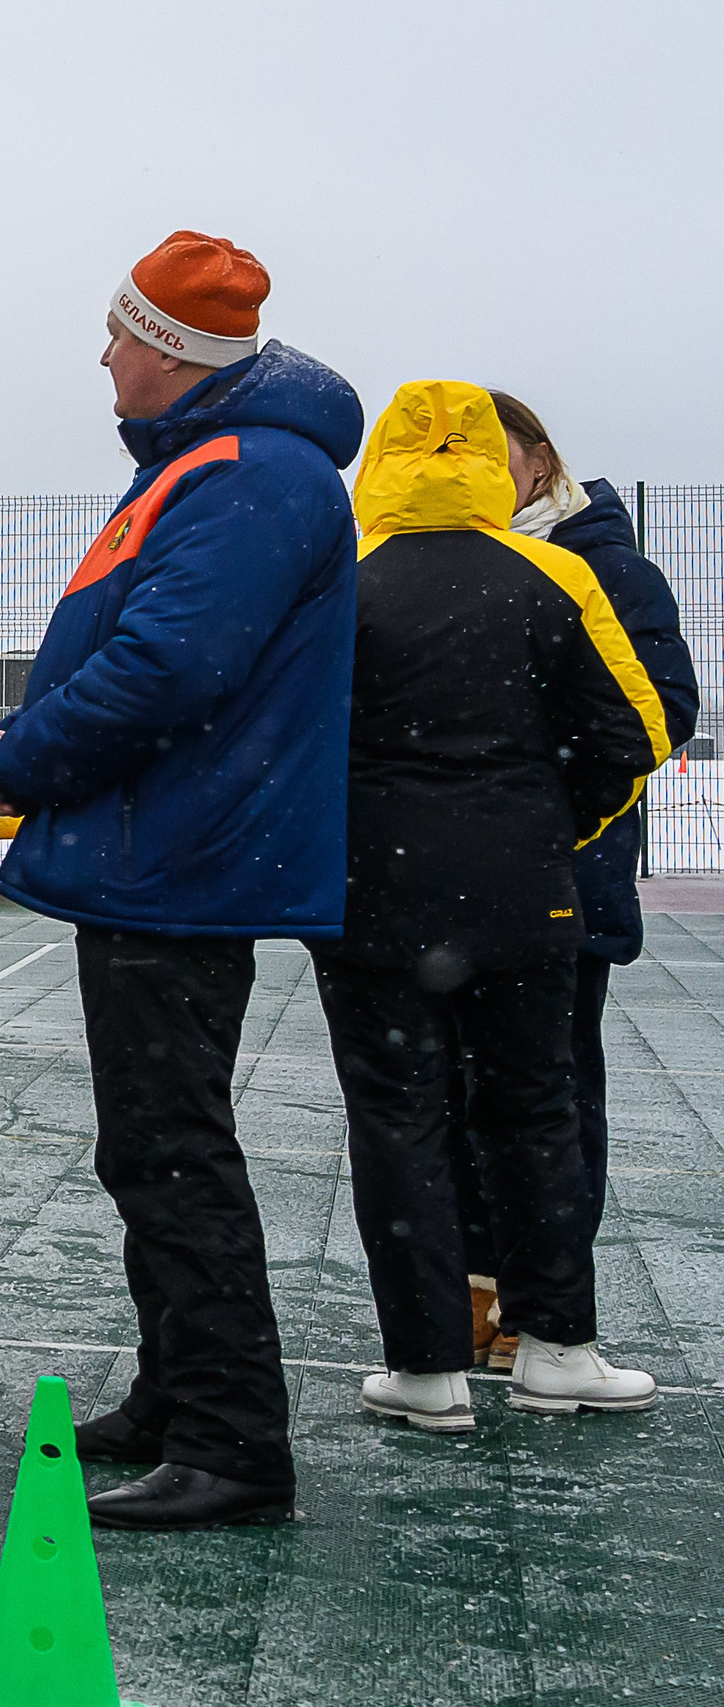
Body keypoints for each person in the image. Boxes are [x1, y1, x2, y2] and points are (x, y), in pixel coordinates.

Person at [0, 232, 362, 1530]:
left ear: (176, 354)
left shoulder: (252, 474)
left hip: (184, 852)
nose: (105, 353)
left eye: (122, 333)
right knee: (148, 1141)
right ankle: (178, 1390)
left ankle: (235, 1436)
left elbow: (171, 666)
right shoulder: (228, 466)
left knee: (174, 1148)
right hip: (167, 846)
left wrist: (26, 754)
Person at [313, 381, 668, 1434]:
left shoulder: (342, 581)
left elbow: (289, 739)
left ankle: (425, 1371)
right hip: (524, 900)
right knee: (536, 1116)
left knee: (398, 1124)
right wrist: (546, 834)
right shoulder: (555, 573)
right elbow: (635, 732)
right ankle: (558, 1346)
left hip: (373, 901)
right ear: (491, 459)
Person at [453, 393, 699, 1373]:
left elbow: (657, 712)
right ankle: (479, 1299)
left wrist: (537, 803)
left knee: (545, 1101)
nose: (476, 465)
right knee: (459, 1100)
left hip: (560, 887)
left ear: (538, 457)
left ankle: (541, 1306)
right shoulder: (450, 562)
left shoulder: (607, 566)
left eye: (493, 448)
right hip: (456, 887)